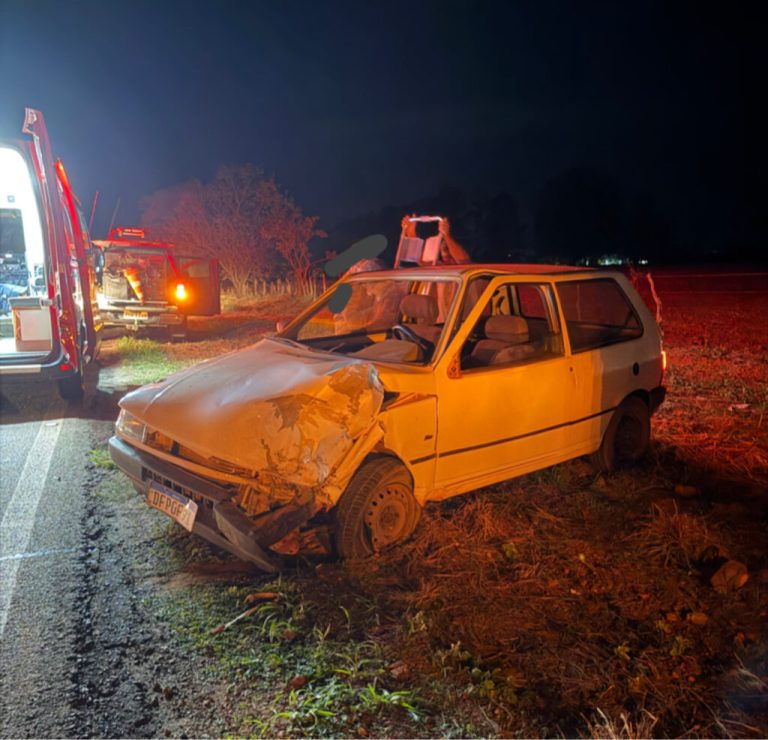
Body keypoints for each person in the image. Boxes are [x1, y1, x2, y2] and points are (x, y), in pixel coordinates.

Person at [400, 215, 472, 265]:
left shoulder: (471, 272)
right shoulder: (439, 267)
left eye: (447, 249)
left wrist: (446, 235)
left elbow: (464, 261)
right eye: (444, 249)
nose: (447, 254)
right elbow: (423, 262)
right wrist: (411, 234)